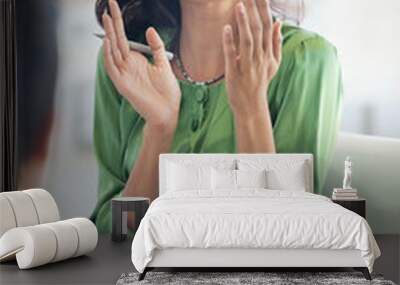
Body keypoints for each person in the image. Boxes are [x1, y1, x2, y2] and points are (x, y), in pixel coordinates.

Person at [91, 0, 343, 233]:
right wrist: (159, 130)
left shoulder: (306, 59)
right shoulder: (126, 61)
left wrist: (251, 109)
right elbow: (115, 234)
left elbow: (288, 234)